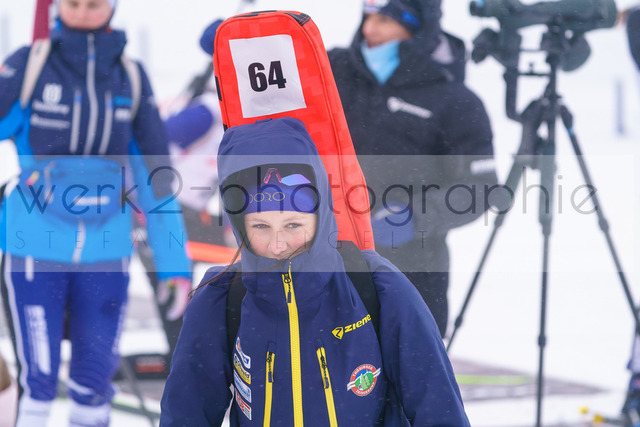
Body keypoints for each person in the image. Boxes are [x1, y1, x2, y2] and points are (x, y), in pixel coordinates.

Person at [160, 117, 469, 426]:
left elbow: (439, 409)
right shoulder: (222, 299)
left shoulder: (376, 286)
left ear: (319, 216)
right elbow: (186, 414)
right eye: (261, 226)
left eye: (293, 224)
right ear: (239, 226)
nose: (278, 244)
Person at [0, 0, 191, 425]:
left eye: (94, 3)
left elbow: (156, 179)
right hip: (34, 248)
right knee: (39, 381)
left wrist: (174, 263)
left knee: (93, 381)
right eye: (73, 3)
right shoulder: (31, 64)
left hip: (106, 252)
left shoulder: (130, 76)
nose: (84, 12)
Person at [328, 0, 498, 338]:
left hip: (413, 273)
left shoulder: (454, 99)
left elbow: (481, 187)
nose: (369, 29)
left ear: (416, 25)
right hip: (329, 265)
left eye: (384, 20)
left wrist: (414, 218)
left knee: (407, 364)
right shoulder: (333, 71)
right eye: (367, 17)